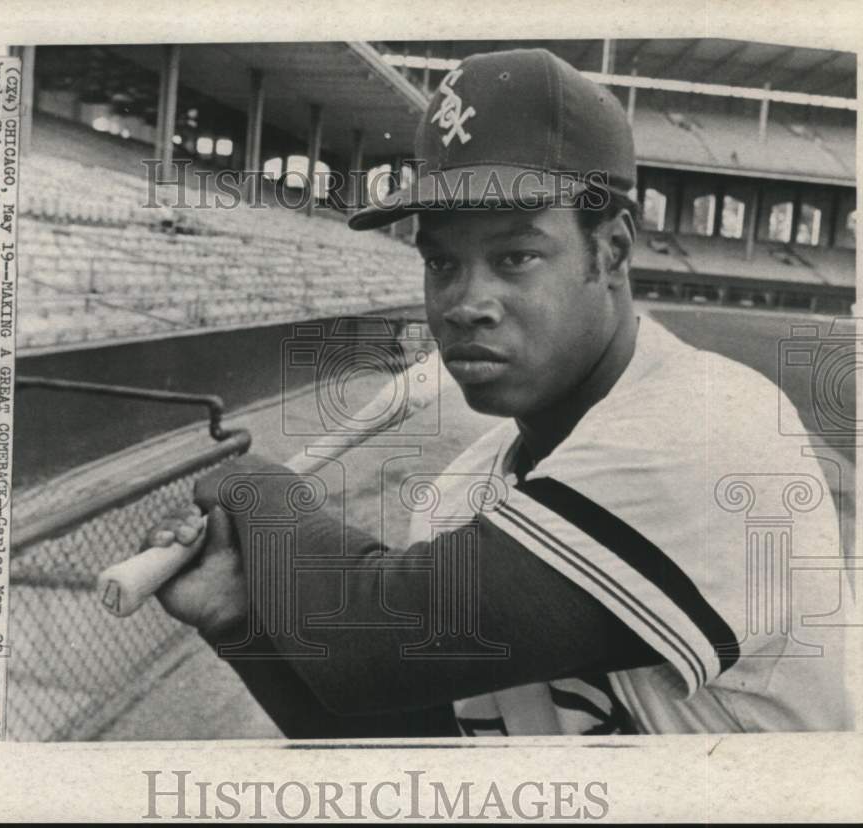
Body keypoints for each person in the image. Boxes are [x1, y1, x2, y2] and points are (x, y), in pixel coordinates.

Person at [147, 49, 851, 736]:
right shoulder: (466, 493)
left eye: (515, 256)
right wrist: (240, 619)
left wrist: (251, 486)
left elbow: (372, 644)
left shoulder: (711, 431)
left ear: (612, 249)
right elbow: (417, 738)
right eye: (442, 262)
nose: (465, 302)